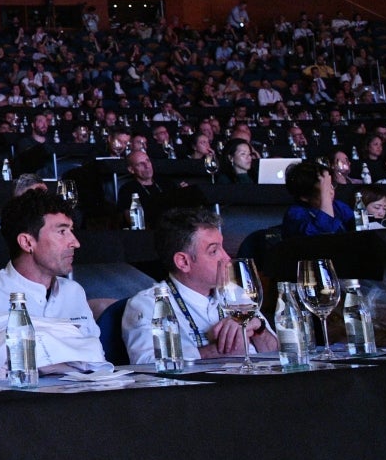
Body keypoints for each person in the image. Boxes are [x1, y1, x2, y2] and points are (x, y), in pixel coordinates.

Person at [121, 207, 277, 364]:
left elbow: (278, 353)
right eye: (214, 251)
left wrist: (259, 330)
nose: (227, 257)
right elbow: (148, 364)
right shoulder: (148, 304)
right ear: (183, 262)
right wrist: (224, 351)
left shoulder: (235, 292)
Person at [0, 189, 100, 341]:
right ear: (27, 242)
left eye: (71, 231)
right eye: (62, 231)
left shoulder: (74, 292)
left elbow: (96, 359)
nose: (75, 243)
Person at [117, 149, 201, 228]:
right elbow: (133, 221)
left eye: (148, 161)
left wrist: (184, 193)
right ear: (131, 170)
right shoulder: (127, 189)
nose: (147, 166)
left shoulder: (166, 183)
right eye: (141, 164)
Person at [282, 159, 353, 237]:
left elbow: (358, 225)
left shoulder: (338, 206)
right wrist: (326, 198)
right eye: (325, 187)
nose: (331, 191)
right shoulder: (295, 214)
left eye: (331, 184)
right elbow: (325, 235)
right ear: (304, 196)